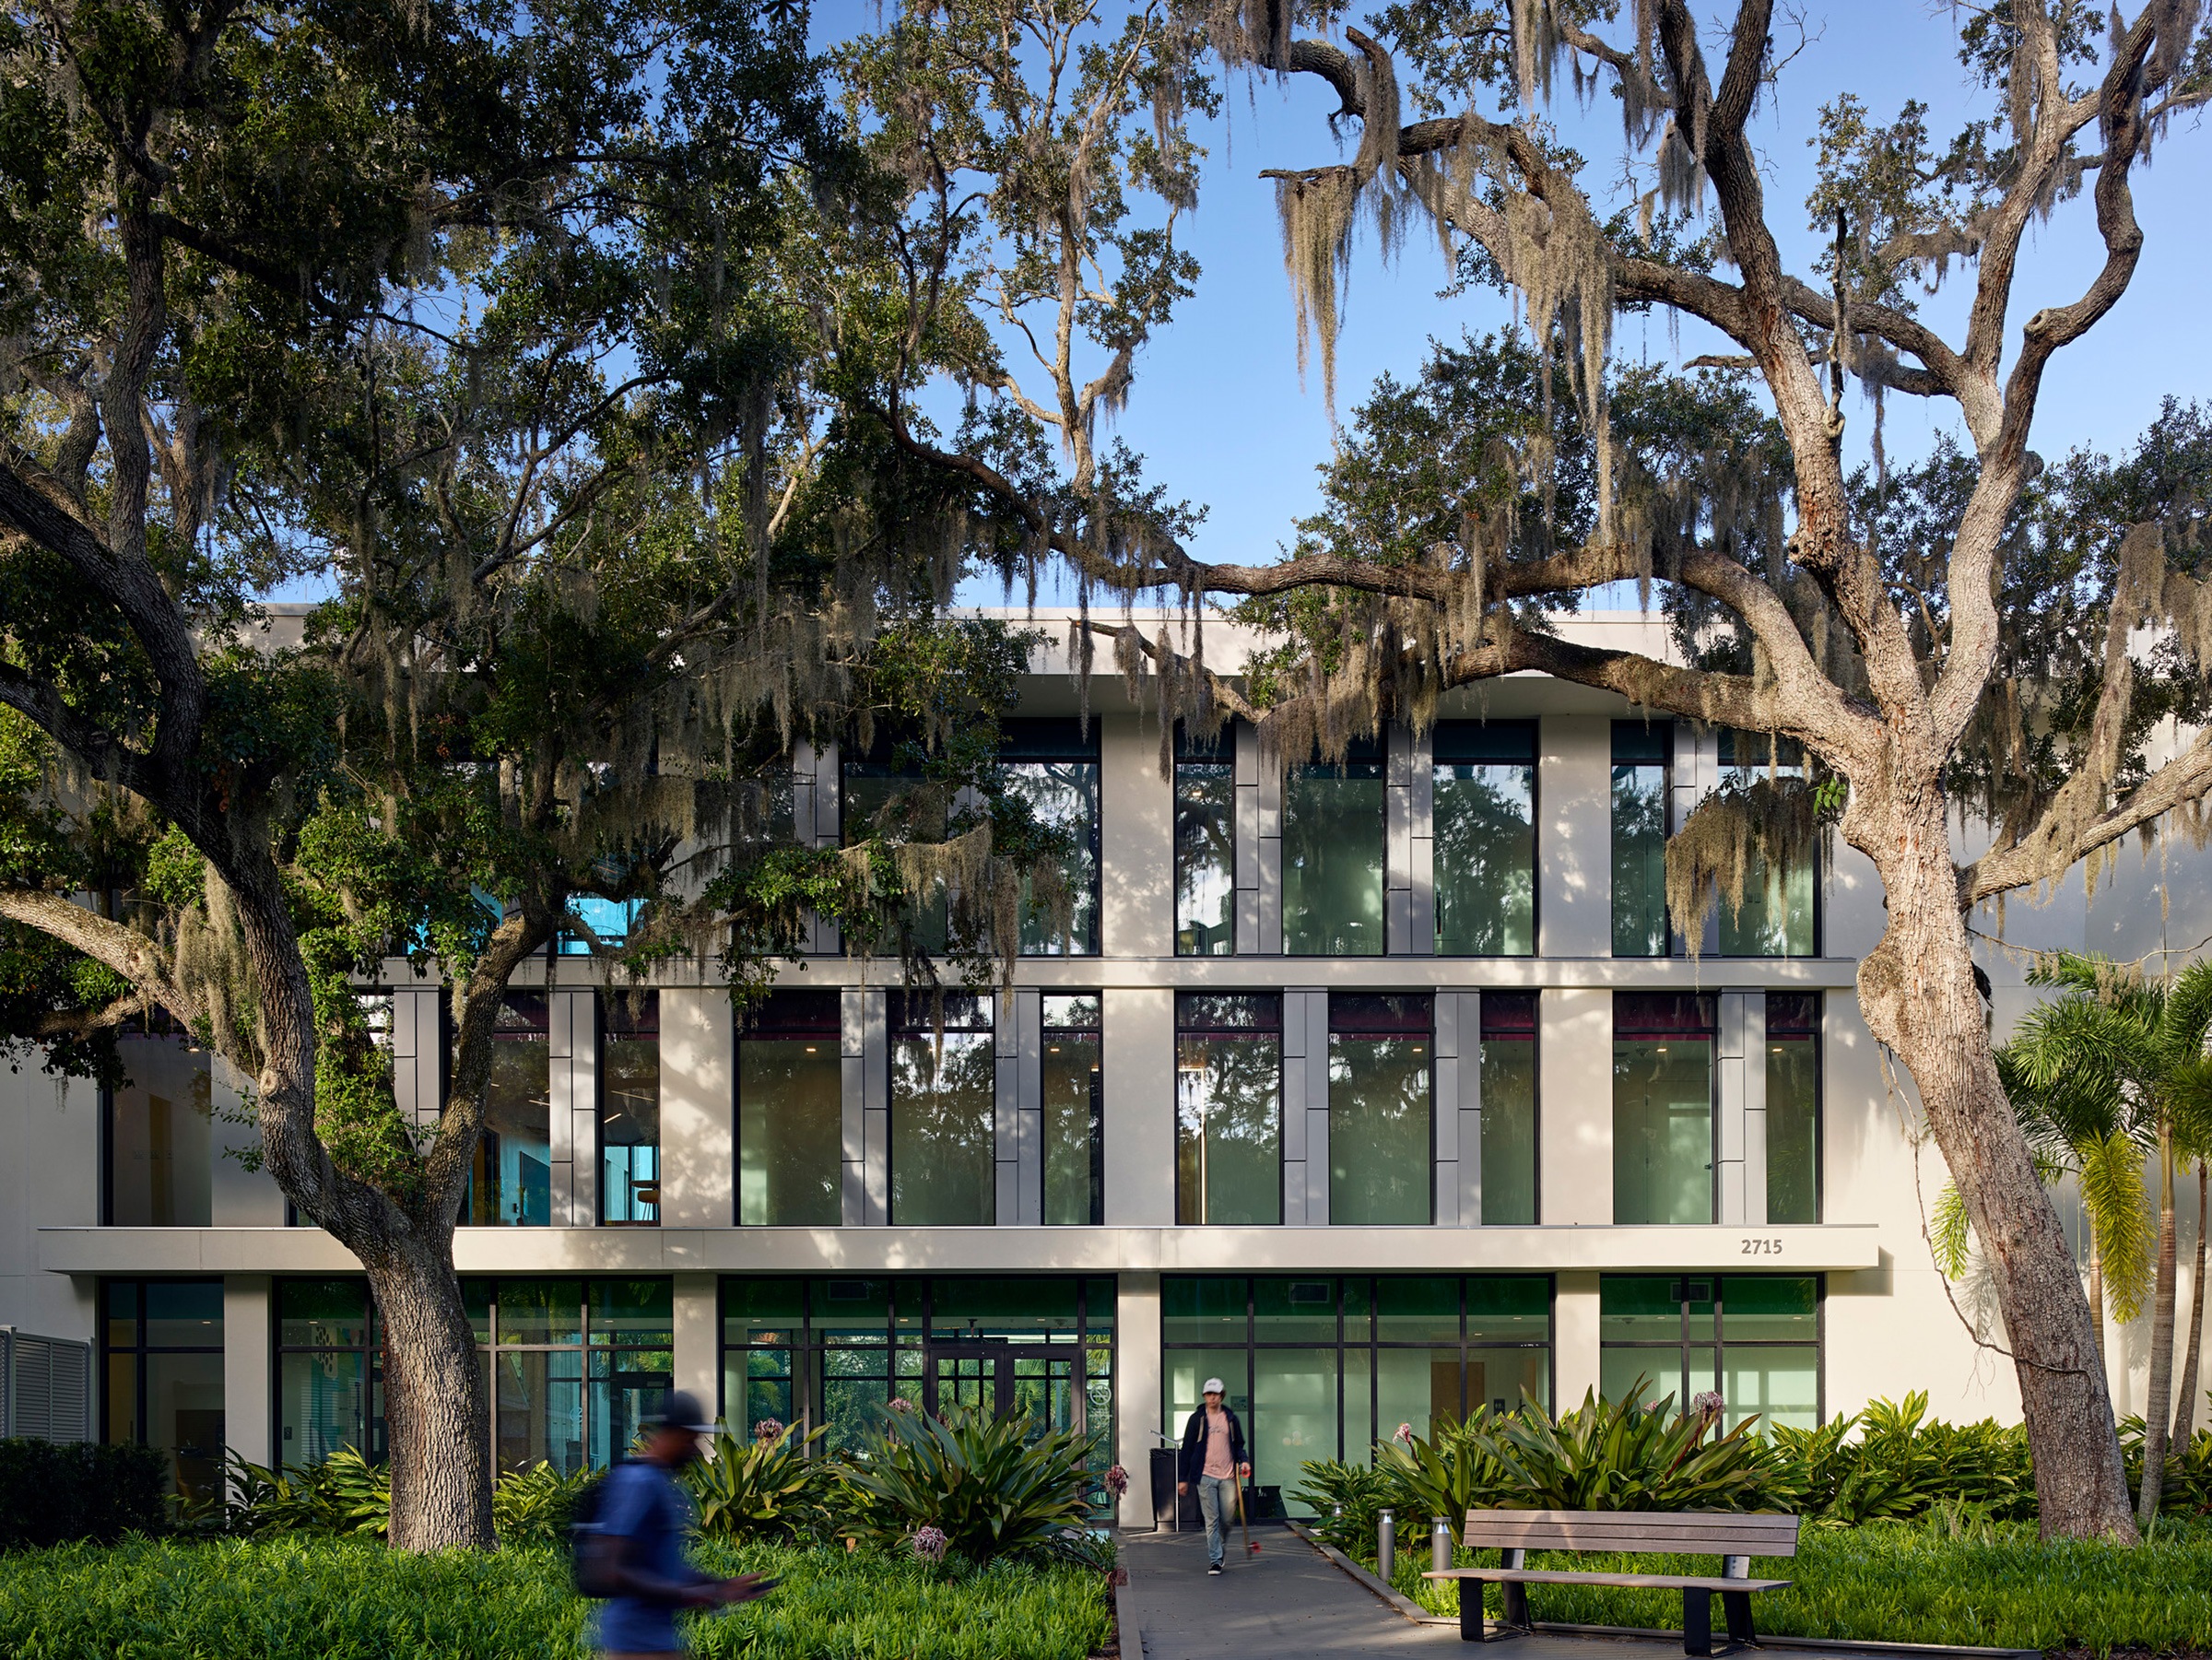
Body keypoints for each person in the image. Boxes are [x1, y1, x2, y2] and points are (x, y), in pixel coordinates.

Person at [592, 1389, 771, 1659]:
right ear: (673, 1434)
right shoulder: (639, 1482)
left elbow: (663, 1567)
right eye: (691, 1439)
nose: (695, 1449)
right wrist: (688, 1593)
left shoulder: (659, 1483)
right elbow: (613, 1569)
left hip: (656, 1642)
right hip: (634, 1644)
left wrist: (720, 1586)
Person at [1175, 1378, 1251, 1575]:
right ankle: (1215, 1560)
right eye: (1208, 1394)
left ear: (1221, 1395)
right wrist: (1182, 1478)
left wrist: (1244, 1460)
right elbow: (1187, 1450)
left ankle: (1220, 1549)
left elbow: (1238, 1445)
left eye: (1215, 1394)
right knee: (1212, 1520)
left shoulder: (1231, 1418)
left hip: (1228, 1476)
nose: (1212, 1398)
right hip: (1206, 1476)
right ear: (1204, 1396)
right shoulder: (1197, 1419)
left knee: (1226, 1520)